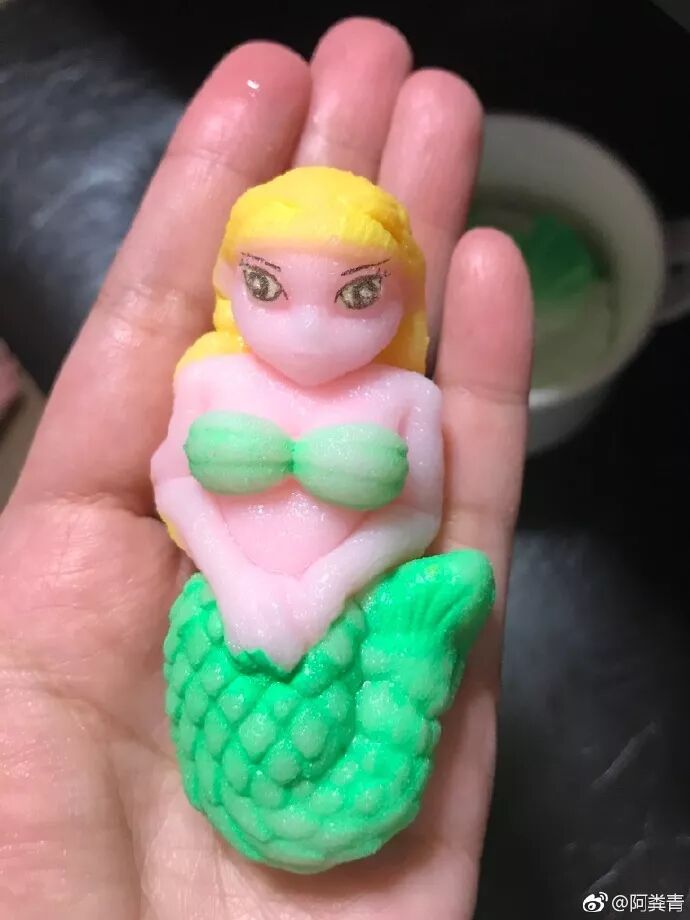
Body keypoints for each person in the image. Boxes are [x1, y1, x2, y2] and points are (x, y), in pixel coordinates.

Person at [0, 16, 532, 919]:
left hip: (344, 617)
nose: (310, 330)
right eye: (269, 287)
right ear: (229, 282)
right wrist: (243, 587)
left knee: (326, 736)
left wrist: (323, 590)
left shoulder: (405, 399)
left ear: (401, 291)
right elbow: (179, 486)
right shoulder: (213, 377)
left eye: (357, 294)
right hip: (220, 614)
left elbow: (410, 518)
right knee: (240, 750)